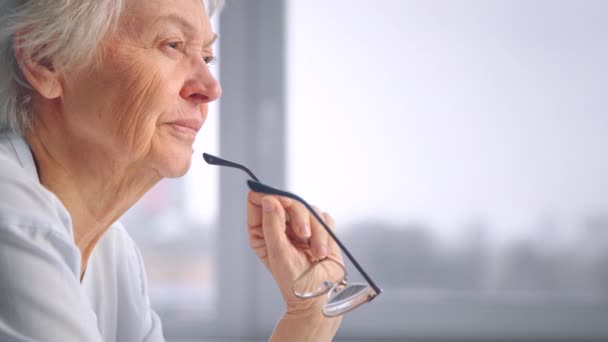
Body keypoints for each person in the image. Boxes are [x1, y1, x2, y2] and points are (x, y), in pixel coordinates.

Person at [0, 0, 343, 341]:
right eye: (173, 45)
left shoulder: (112, 253)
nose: (210, 89)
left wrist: (309, 317)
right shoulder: (12, 217)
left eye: (207, 58)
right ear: (44, 58)